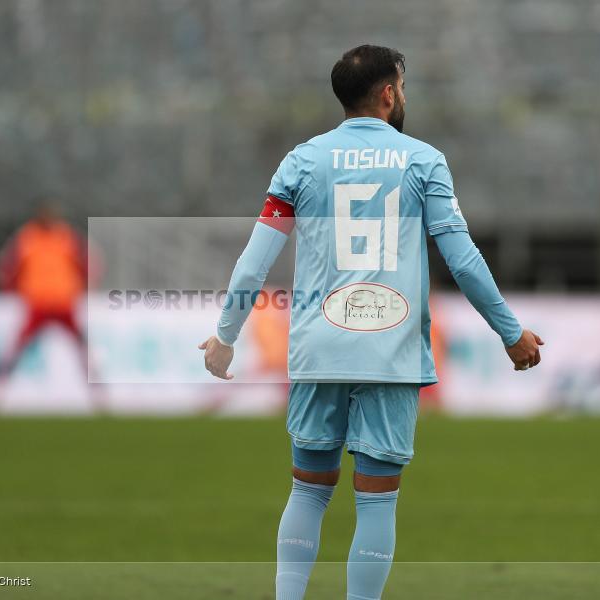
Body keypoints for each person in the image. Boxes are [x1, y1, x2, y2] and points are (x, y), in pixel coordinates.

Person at [198, 45, 543, 600]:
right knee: (377, 498)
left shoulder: (301, 161)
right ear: (388, 93)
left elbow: (253, 263)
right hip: (389, 350)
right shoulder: (424, 161)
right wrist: (511, 332)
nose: (403, 95)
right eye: (401, 86)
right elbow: (463, 260)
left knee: (308, 492)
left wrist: (225, 337)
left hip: (317, 351)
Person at [0, 201, 103, 409]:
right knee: (17, 346)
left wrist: (87, 284)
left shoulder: (67, 236)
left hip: (63, 303)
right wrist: (10, 289)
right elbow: (6, 267)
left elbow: (89, 262)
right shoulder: (26, 238)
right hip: (38, 304)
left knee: (82, 347)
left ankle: (98, 394)